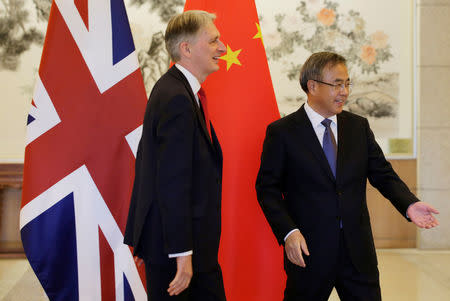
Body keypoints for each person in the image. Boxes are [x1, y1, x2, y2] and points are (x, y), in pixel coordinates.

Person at [255, 51, 439, 301]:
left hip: (357, 252)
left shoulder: (358, 126)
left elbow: (383, 174)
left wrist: (409, 204)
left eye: (347, 83)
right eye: (337, 84)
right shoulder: (283, 132)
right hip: (309, 250)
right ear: (312, 86)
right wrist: (289, 232)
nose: (344, 91)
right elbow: (268, 189)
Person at [124, 10, 226, 301]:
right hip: (179, 251)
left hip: (179, 246)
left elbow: (151, 166)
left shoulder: (175, 90)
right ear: (187, 48)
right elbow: (172, 182)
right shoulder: (177, 98)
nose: (223, 48)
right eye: (214, 40)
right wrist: (182, 255)